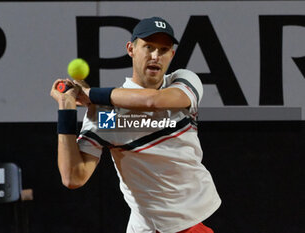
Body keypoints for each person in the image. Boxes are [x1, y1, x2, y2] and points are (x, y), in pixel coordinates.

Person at [50, 16, 221, 233]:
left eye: (163, 49)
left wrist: (90, 93)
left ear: (172, 55)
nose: (155, 56)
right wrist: (66, 108)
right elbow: (73, 177)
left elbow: (154, 101)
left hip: (191, 219)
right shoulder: (107, 116)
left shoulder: (183, 82)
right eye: (148, 47)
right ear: (131, 49)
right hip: (147, 227)